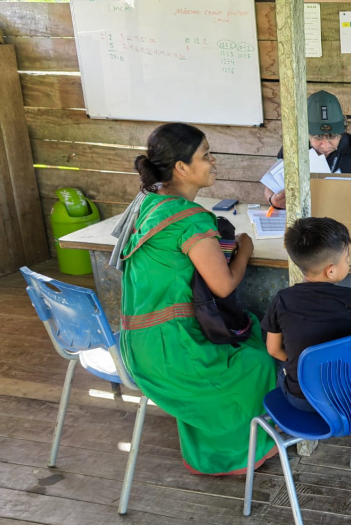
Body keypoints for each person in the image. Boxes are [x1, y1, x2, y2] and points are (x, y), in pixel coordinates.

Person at [120, 123, 278, 475]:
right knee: (258, 363)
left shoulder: (150, 204)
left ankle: (208, 449)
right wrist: (246, 247)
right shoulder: (191, 220)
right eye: (205, 155)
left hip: (138, 342)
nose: (213, 161)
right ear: (181, 168)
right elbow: (223, 287)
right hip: (169, 351)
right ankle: (235, 457)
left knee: (248, 329)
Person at [261, 217, 351, 412]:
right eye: (346, 259)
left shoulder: (282, 299)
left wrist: (304, 361)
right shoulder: (348, 298)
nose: (348, 262)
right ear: (330, 271)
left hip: (301, 400)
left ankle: (282, 426)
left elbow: (273, 349)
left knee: (283, 370)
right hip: (346, 398)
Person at [264, 90, 351, 210]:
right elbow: (270, 187)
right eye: (318, 137)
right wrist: (273, 200)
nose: (325, 146)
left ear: (343, 132)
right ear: (306, 133)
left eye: (333, 136)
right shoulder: (292, 148)